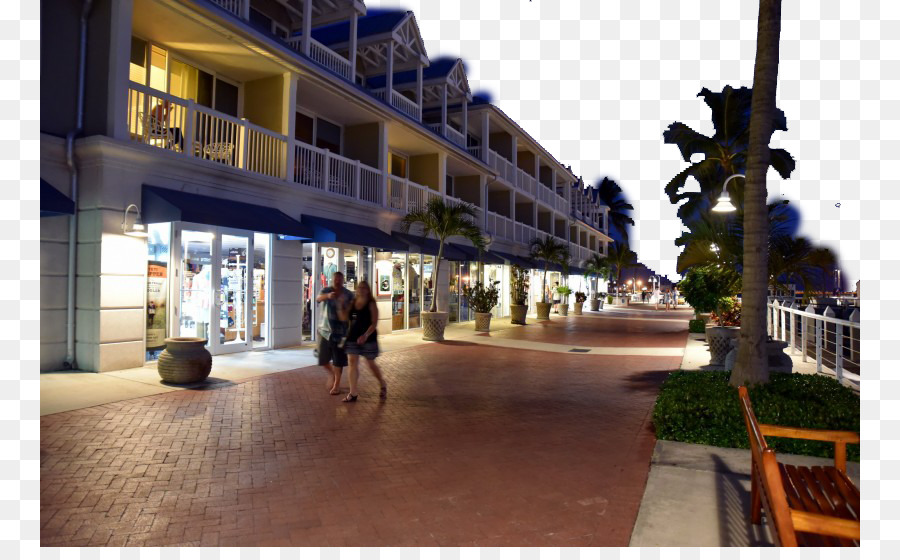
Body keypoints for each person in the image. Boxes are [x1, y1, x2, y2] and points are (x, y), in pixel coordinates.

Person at [340, 280, 387, 402]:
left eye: (364, 288)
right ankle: (353, 393)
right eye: (359, 287)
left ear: (368, 290)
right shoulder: (353, 302)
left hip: (368, 337)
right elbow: (344, 318)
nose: (361, 290)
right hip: (353, 336)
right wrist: (340, 306)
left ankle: (382, 383)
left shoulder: (371, 304)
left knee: (370, 363)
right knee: (352, 362)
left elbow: (374, 322)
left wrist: (365, 335)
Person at [316, 271, 353, 395]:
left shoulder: (348, 294)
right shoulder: (326, 290)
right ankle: (332, 374)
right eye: (335, 279)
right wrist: (327, 296)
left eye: (339, 279)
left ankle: (336, 384)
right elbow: (318, 298)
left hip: (340, 333)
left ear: (343, 280)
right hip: (324, 331)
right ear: (332, 279)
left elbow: (352, 310)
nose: (337, 281)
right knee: (323, 359)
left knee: (338, 360)